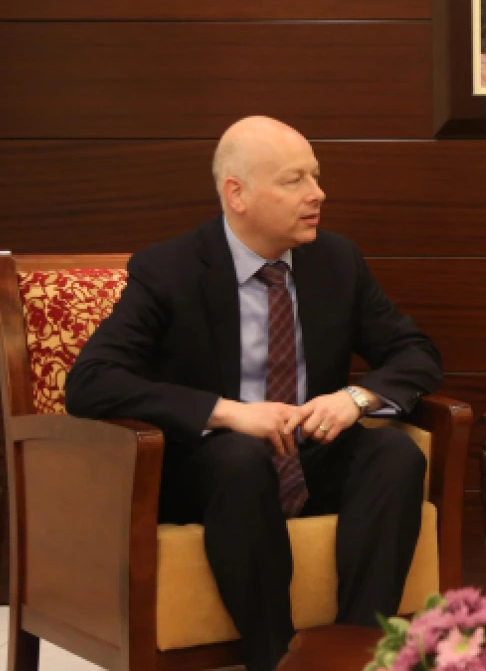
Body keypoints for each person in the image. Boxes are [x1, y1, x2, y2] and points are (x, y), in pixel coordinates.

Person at [66, 116, 443, 671]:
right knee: (241, 459)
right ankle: (276, 659)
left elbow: (416, 353)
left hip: (308, 454)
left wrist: (355, 400)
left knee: (393, 453)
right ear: (236, 194)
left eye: (315, 176)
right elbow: (92, 380)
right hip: (211, 468)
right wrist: (227, 414)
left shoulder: (336, 261)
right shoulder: (169, 269)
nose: (318, 194)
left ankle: (355, 652)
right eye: (294, 180)